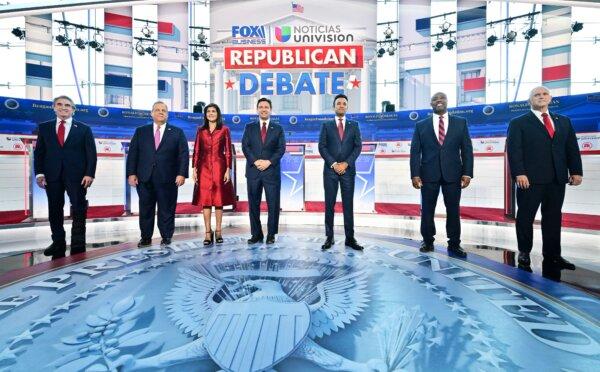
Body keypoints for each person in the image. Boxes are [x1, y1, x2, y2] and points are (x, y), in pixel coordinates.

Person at [506, 86, 582, 281]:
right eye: (536, 95)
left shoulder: (563, 121)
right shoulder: (519, 122)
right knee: (525, 217)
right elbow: (515, 151)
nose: (541, 97)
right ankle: (524, 253)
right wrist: (519, 173)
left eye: (544, 94)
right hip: (529, 180)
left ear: (550, 98)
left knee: (553, 218)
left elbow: (571, 148)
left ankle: (553, 255)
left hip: (557, 179)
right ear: (530, 100)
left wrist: (575, 171)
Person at [410, 92, 473, 257]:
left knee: (453, 210)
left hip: (453, 174)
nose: (439, 101)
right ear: (431, 104)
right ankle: (427, 241)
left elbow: (467, 149)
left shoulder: (460, 123)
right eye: (435, 99)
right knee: (427, 210)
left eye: (442, 98)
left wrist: (467, 173)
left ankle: (454, 244)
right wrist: (414, 174)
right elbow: (415, 152)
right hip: (428, 174)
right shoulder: (420, 125)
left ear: (447, 101)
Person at [34, 95, 97, 259]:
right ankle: (57, 243)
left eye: (67, 105)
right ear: (54, 107)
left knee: (78, 208)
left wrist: (89, 173)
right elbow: (39, 153)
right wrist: (39, 173)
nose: (64, 107)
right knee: (54, 209)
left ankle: (78, 244)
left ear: (73, 109)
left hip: (77, 176)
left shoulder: (84, 129)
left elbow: (91, 154)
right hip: (51, 175)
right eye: (60, 104)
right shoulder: (45, 127)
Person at [126, 101, 189, 247]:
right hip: (144, 178)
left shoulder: (177, 132)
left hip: (168, 178)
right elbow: (133, 153)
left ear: (167, 114)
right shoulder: (141, 131)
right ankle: (146, 238)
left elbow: (183, 155)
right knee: (146, 209)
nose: (161, 112)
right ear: (152, 113)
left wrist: (181, 174)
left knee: (167, 209)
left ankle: (166, 237)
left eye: (164, 110)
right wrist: (131, 173)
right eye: (157, 110)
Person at [318, 94, 364, 251]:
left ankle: (350, 238)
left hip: (348, 171)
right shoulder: (326, 125)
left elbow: (358, 147)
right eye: (339, 103)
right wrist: (333, 164)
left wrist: (346, 164)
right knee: (329, 205)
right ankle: (329, 237)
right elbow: (322, 147)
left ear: (347, 106)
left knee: (348, 205)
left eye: (344, 103)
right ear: (334, 107)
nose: (342, 105)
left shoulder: (354, 125)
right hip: (330, 171)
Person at [241, 97, 286, 244]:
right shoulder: (249, 127)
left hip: (271, 172)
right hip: (254, 171)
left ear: (270, 110)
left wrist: (269, 162)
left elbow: (281, 149)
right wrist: (255, 161)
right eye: (261, 107)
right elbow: (245, 147)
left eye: (266, 107)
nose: (264, 109)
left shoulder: (278, 129)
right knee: (254, 204)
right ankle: (256, 234)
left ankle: (271, 234)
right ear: (257, 109)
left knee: (273, 204)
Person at [191, 103, 235, 245]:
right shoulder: (200, 130)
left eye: (213, 111)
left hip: (219, 167)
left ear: (218, 114)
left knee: (218, 201)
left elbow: (228, 151)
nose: (211, 113)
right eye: (208, 111)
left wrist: (228, 169)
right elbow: (197, 150)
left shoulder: (224, 130)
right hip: (203, 168)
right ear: (205, 114)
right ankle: (207, 233)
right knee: (206, 201)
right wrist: (194, 168)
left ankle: (218, 232)